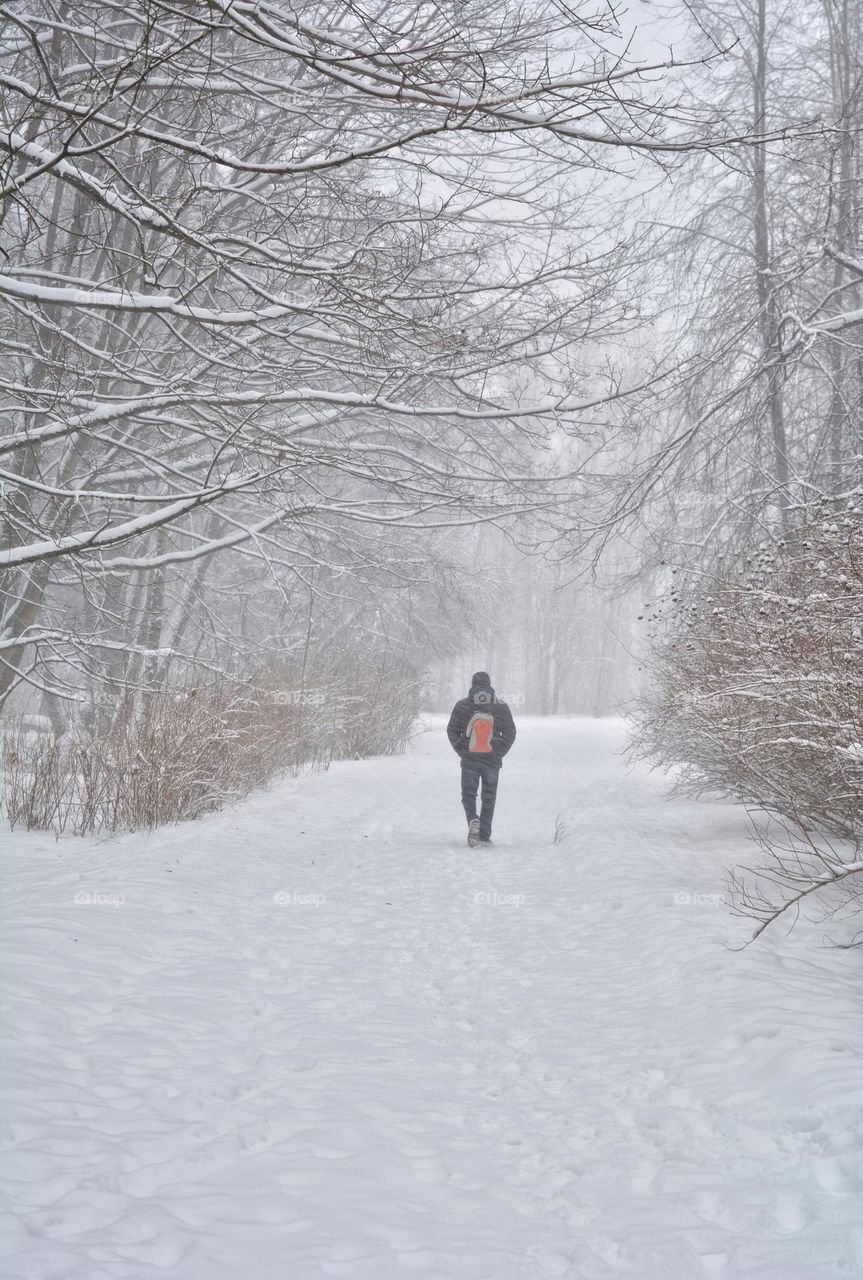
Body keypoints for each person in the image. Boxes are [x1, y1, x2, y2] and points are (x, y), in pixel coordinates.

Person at [446, 671, 516, 847]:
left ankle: (473, 821)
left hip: (470, 759)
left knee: (468, 795)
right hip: (492, 760)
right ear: (489, 684)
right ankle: (484, 835)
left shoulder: (462, 705)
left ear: (473, 685)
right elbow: (510, 732)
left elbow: (452, 730)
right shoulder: (500, 706)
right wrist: (498, 752)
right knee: (489, 797)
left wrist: (463, 750)